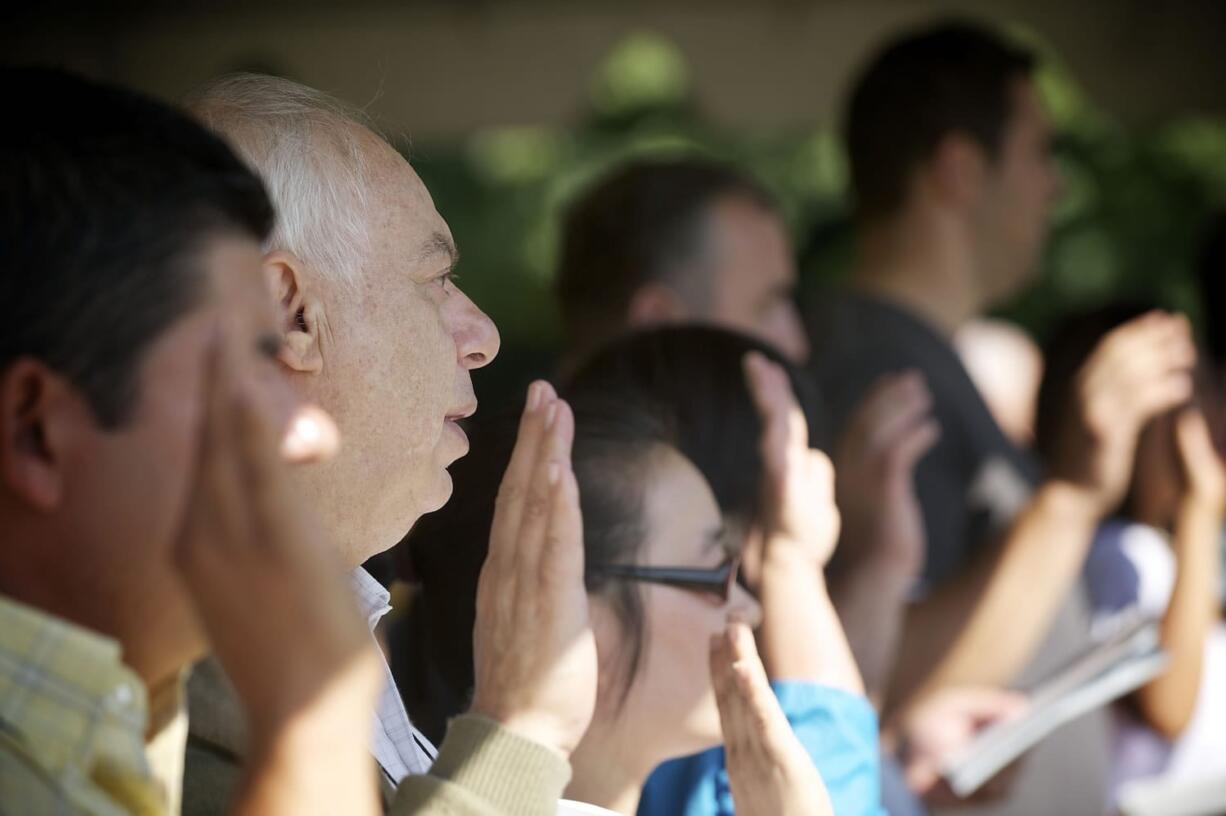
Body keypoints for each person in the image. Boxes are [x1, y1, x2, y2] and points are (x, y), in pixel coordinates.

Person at [181, 73, 605, 814]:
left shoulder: (314, 624)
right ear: (291, 315)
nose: (483, 337)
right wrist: (516, 730)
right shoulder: (179, 684)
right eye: (436, 278)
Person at [808, 19, 1197, 815]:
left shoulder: (904, 358)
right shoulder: (885, 373)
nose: (1054, 186)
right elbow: (876, 687)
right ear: (957, 169)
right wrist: (1073, 496)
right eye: (1037, 153)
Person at [0, 65, 383, 815]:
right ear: (36, 432)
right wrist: (312, 725)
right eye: (249, 364)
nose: (307, 432)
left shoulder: (109, 740)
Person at [1036, 303, 1226, 801]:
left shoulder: (1153, 550)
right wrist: (1199, 511)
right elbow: (1168, 708)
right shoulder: (1117, 554)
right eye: (1199, 391)